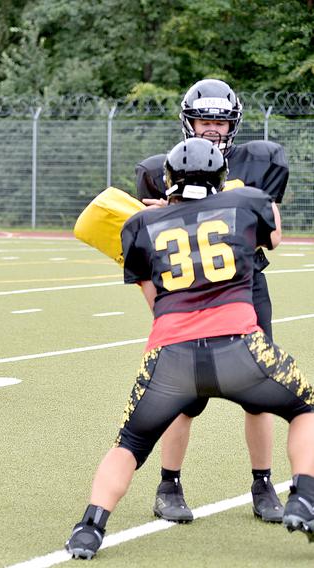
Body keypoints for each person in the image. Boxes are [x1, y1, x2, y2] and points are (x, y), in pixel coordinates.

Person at [64, 138, 314, 560]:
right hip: (241, 349)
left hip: (171, 356)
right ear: (221, 177)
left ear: (167, 181)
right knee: (304, 408)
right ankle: (304, 496)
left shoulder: (140, 226)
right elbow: (273, 236)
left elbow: (155, 303)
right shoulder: (246, 202)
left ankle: (89, 527)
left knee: (128, 443)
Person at [135, 79, 290, 523]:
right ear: (189, 122)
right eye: (206, 120)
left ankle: (264, 485)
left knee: (259, 389)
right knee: (182, 392)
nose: (214, 130)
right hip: (189, 292)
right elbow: (141, 242)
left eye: (222, 121)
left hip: (245, 285)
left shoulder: (258, 163)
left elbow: (273, 233)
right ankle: (169, 485)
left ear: (233, 124)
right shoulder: (160, 168)